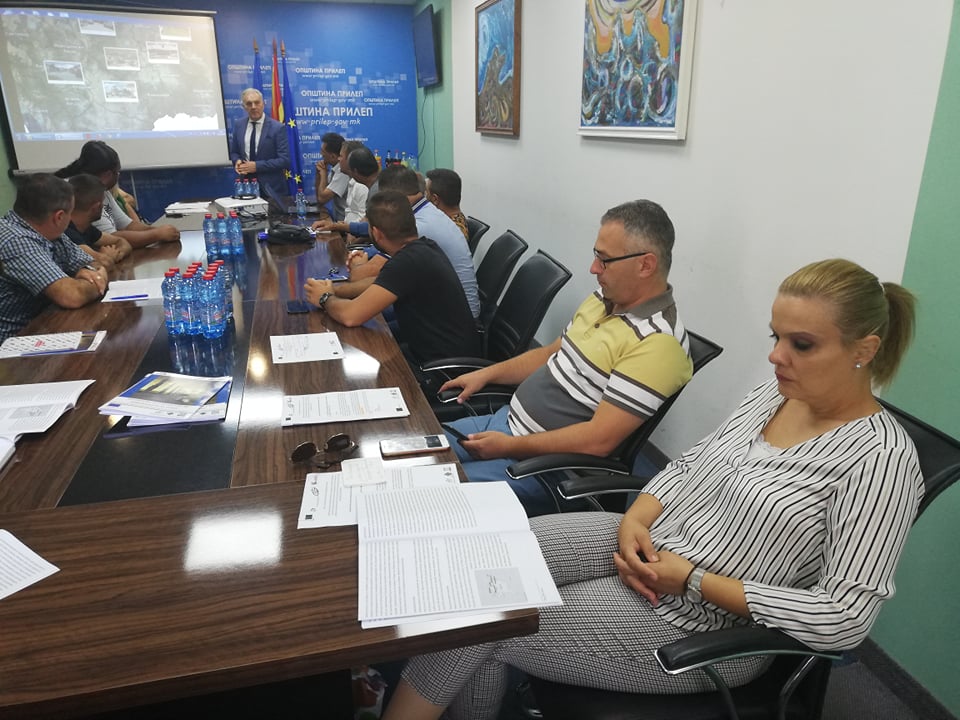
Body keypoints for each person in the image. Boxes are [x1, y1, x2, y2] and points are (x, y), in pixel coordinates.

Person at [382, 258, 923, 720]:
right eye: (775, 337)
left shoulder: (881, 459)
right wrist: (637, 518)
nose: (776, 356)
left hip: (698, 621)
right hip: (649, 543)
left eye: (801, 344)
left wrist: (690, 579)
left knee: (487, 622)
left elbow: (843, 618)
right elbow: (687, 466)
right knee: (479, 562)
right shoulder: (774, 396)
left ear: (865, 349)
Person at [441, 199, 692, 516]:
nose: (593, 268)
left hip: (544, 469)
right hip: (505, 423)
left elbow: (598, 441)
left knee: (431, 495)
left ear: (645, 265)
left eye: (605, 260)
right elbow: (551, 353)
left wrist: (508, 446)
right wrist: (485, 375)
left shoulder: (657, 342)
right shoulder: (603, 298)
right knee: (412, 455)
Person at [303, 190, 480, 364]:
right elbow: (377, 284)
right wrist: (334, 290)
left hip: (443, 369)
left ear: (376, 233)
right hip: (437, 350)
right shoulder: (424, 247)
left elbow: (350, 316)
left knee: (352, 352)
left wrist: (324, 298)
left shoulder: (407, 262)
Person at [333, 165, 481, 321]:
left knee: (365, 317)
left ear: (393, 199)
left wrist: (356, 265)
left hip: (455, 317)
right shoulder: (425, 212)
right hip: (442, 307)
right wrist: (344, 228)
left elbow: (363, 276)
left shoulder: (420, 228)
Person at [0, 174, 109, 341]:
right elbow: (72, 296)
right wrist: (98, 281)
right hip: (13, 344)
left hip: (44, 327)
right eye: (70, 213)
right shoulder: (15, 241)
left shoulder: (50, 231)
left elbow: (94, 262)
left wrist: (85, 270)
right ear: (59, 217)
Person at [55, 141, 180, 248]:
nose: (118, 176)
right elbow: (111, 237)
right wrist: (156, 234)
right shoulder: (80, 192)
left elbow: (128, 225)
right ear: (108, 175)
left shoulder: (102, 189)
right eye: (118, 172)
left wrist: (159, 230)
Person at [229, 88, 291, 203]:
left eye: (257, 102)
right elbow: (234, 152)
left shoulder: (278, 128)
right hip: (246, 187)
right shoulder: (239, 125)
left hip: (272, 190)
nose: (253, 107)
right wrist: (237, 160)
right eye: (249, 103)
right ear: (244, 106)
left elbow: (284, 160)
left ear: (263, 104)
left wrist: (257, 166)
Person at [65, 173, 133, 269]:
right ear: (96, 207)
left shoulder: (86, 228)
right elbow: (103, 262)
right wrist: (106, 257)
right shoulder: (66, 233)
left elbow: (123, 241)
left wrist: (116, 254)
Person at [311, 146, 380, 236]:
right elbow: (366, 222)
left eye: (341, 156)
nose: (338, 159)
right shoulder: (372, 185)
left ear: (355, 171)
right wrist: (338, 226)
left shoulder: (376, 191)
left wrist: (337, 227)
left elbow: (373, 229)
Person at [425, 168, 469, 241]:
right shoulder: (453, 221)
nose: (425, 197)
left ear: (435, 199)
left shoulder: (451, 233)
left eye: (426, 193)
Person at [313, 132, 349, 221]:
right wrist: (318, 175)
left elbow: (322, 198)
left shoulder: (343, 171)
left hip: (346, 223)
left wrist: (323, 173)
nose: (321, 154)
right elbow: (319, 197)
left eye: (323, 152)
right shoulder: (335, 168)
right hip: (337, 220)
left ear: (333, 156)